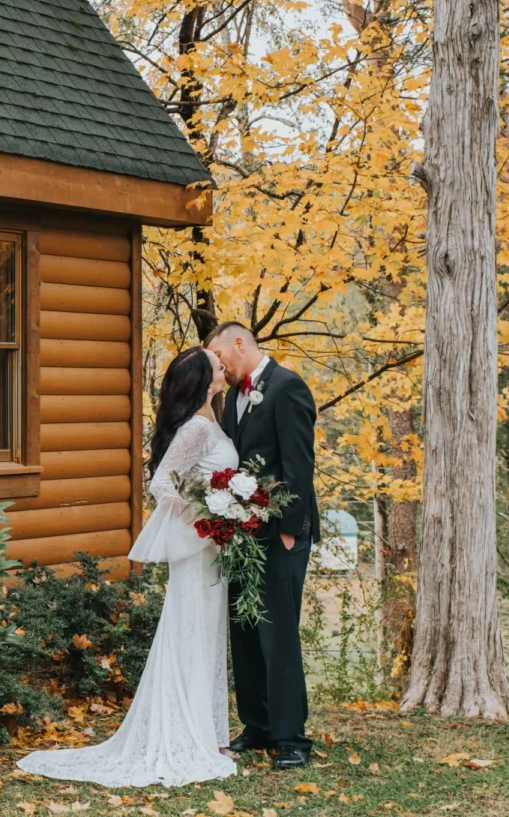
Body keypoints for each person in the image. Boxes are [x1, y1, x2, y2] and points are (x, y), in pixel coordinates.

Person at [17, 347, 239, 787]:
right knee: (190, 629)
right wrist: (204, 516)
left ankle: (210, 732)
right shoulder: (196, 426)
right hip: (199, 548)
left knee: (208, 633)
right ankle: (187, 735)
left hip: (215, 549)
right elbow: (162, 482)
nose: (223, 367)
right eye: (216, 365)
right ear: (203, 379)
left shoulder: (213, 419)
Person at [204, 321, 319, 771]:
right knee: (246, 631)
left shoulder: (287, 387)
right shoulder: (233, 396)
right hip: (241, 535)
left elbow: (299, 461)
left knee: (279, 636)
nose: (219, 365)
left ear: (239, 343)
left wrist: (291, 529)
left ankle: (291, 738)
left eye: (220, 355)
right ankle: (257, 724)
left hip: (281, 536)